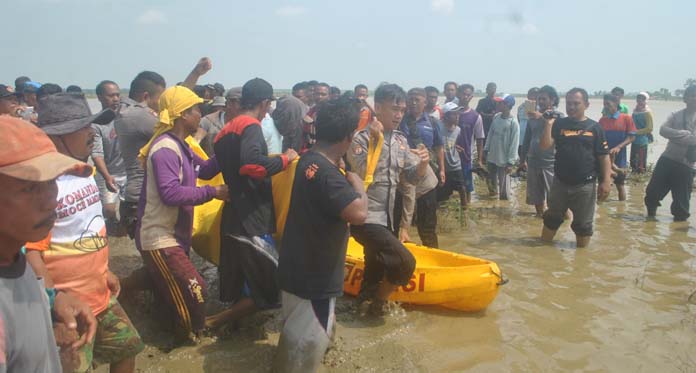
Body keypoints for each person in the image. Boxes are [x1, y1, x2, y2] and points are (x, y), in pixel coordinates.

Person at [25, 93, 144, 373]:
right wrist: (54, 306)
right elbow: (32, 256)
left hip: (100, 294)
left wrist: (103, 272)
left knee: (128, 347)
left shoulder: (83, 170)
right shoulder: (43, 186)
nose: (91, 133)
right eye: (83, 128)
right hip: (69, 308)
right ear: (56, 136)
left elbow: (88, 229)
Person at [274, 97, 368, 372]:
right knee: (302, 357)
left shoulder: (309, 160)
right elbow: (358, 213)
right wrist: (359, 185)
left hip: (295, 269)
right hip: (315, 279)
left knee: (296, 337)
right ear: (349, 136)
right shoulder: (329, 175)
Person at [0, 116, 98, 373]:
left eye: (52, 182)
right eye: (29, 189)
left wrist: (53, 299)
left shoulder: (14, 257)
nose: (50, 201)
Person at [135, 86, 229, 341]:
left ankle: (124, 292)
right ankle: (191, 334)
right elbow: (171, 194)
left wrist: (229, 147)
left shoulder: (182, 145)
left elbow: (206, 170)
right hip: (159, 237)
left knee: (163, 283)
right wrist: (214, 192)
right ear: (181, 115)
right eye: (196, 109)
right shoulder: (165, 149)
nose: (201, 114)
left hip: (175, 234)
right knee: (197, 290)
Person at [213, 78, 299, 326]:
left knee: (240, 279)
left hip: (232, 215)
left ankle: (236, 331)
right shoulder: (250, 126)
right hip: (251, 219)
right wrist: (285, 159)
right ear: (264, 103)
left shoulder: (225, 131)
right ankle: (214, 323)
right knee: (272, 286)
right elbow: (251, 166)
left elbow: (208, 170)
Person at [347, 83, 429, 315]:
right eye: (394, 109)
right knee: (405, 262)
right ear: (378, 107)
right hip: (365, 217)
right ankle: (378, 306)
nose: (399, 114)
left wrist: (423, 163)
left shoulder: (401, 141)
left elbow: (411, 180)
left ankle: (361, 307)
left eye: (402, 110)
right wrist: (376, 142)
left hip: (388, 219)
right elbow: (360, 174)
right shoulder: (361, 139)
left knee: (375, 267)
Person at [539, 88, 611, 248]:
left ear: (586, 104)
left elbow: (604, 156)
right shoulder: (559, 124)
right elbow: (544, 146)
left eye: (576, 103)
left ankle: (581, 260)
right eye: (569, 103)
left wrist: (606, 181)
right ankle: (542, 253)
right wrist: (548, 124)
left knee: (583, 226)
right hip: (560, 183)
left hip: (585, 185)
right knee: (551, 219)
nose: (571, 107)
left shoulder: (595, 128)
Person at [114, 71, 166, 238]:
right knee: (157, 253)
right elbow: (175, 128)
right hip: (142, 198)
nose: (162, 104)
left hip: (137, 196)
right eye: (160, 99)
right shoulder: (137, 115)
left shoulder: (126, 111)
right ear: (145, 96)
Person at [398, 87, 444, 247]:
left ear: (425, 102)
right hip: (403, 175)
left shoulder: (433, 122)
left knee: (427, 226)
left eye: (417, 99)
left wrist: (443, 170)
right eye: (410, 99)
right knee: (399, 221)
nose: (413, 102)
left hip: (426, 177)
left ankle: (433, 254)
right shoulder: (399, 120)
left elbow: (439, 146)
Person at [644, 85, 696, 221]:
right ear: (685, 98)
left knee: (681, 205)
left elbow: (694, 140)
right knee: (651, 194)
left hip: (687, 165)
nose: (693, 98)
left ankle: (678, 233)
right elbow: (662, 130)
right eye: (691, 95)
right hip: (667, 159)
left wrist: (675, 136)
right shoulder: (676, 115)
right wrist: (682, 133)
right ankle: (650, 220)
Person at [520, 85, 565, 216]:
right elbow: (526, 140)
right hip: (533, 162)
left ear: (552, 100)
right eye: (539, 99)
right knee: (536, 197)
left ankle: (565, 223)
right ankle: (540, 219)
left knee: (557, 200)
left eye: (544, 99)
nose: (540, 102)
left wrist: (541, 116)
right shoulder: (532, 117)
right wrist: (522, 160)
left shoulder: (558, 116)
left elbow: (557, 119)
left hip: (551, 163)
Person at [91, 80, 127, 236]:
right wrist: (107, 176)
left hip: (128, 172)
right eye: (111, 95)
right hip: (107, 172)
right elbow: (96, 154)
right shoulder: (95, 124)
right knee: (109, 210)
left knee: (130, 209)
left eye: (118, 95)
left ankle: (126, 236)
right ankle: (112, 239)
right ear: (99, 97)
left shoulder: (127, 117)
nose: (116, 99)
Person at [599, 94, 637, 201]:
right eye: (604, 104)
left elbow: (632, 137)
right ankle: (602, 213)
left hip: (620, 158)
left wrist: (619, 147)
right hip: (605, 157)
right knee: (602, 185)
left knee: (620, 185)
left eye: (608, 104)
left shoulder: (626, 118)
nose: (606, 106)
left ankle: (621, 209)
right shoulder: (602, 120)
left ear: (616, 104)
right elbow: (598, 140)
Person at [454, 84, 485, 205]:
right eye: (463, 94)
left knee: (467, 188)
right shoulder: (450, 112)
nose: (465, 97)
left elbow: (480, 138)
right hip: (450, 157)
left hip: (466, 157)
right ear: (458, 94)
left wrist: (480, 160)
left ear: (471, 97)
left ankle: (466, 210)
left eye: (468, 95)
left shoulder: (476, 116)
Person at [484, 94, 519, 200]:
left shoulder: (513, 123)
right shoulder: (496, 117)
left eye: (500, 103)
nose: (497, 104)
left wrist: (510, 162)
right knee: (491, 181)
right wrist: (486, 148)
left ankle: (504, 203)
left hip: (504, 159)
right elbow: (491, 133)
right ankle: (492, 199)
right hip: (492, 156)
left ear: (507, 105)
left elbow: (514, 143)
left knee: (504, 186)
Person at [437, 102, 468, 209]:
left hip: (455, 164)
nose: (457, 116)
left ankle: (465, 212)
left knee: (462, 189)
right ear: (446, 116)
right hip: (442, 166)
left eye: (458, 113)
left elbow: (452, 142)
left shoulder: (458, 129)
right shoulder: (438, 127)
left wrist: (456, 147)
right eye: (454, 114)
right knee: (442, 194)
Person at [195, 87, 242, 156]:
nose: (242, 107)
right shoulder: (208, 121)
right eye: (238, 102)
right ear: (227, 103)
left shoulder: (246, 125)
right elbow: (195, 143)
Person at [630, 92, 654, 173]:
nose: (639, 100)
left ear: (646, 100)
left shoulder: (647, 112)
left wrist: (636, 132)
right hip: (633, 139)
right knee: (633, 159)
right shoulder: (635, 111)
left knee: (641, 161)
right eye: (638, 98)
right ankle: (634, 175)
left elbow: (649, 128)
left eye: (642, 99)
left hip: (642, 140)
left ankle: (640, 175)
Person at [517, 87, 539, 164]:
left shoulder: (541, 109)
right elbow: (519, 120)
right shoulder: (521, 107)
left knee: (531, 161)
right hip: (521, 138)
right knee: (522, 157)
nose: (533, 97)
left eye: (536, 94)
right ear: (528, 95)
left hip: (533, 140)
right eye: (531, 94)